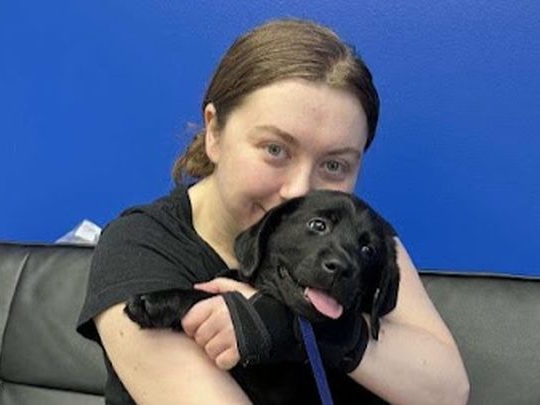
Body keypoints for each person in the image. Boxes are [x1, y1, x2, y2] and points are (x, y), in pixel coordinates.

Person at [77, 18, 469, 404]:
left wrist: (301, 330)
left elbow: (448, 391)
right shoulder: (139, 246)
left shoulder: (362, 240)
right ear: (214, 133)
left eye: (334, 165)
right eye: (275, 149)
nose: (300, 190)